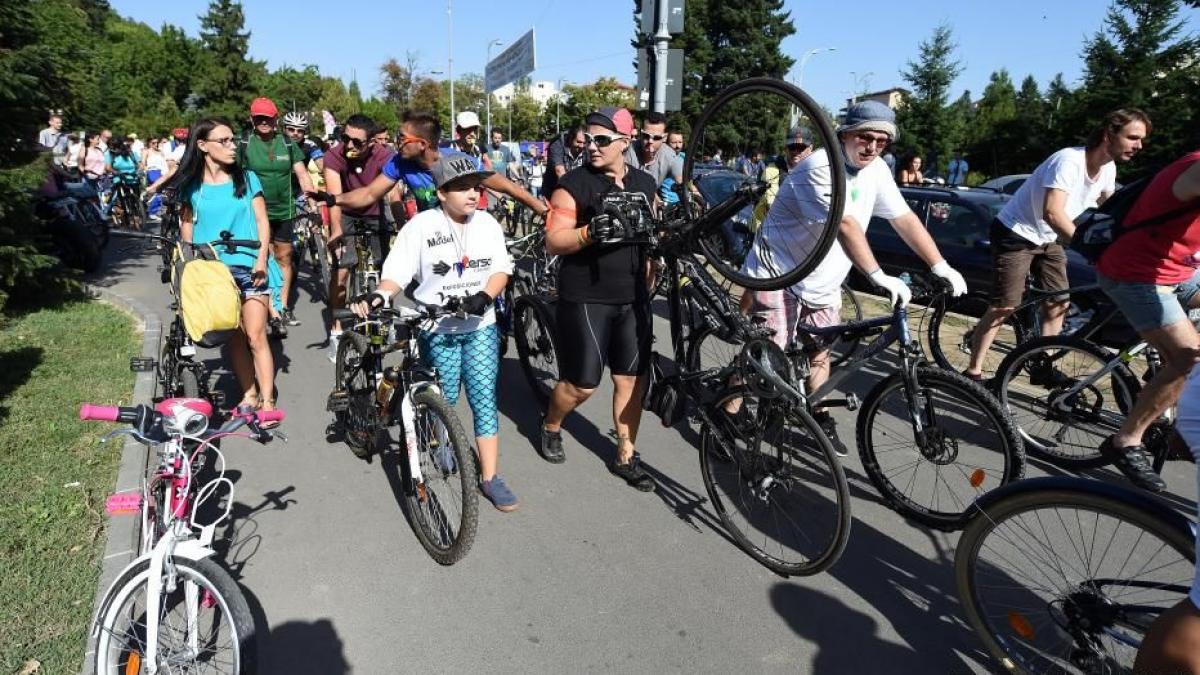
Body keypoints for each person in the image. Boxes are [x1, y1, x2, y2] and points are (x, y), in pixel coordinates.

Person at [741, 100, 969, 453]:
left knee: (820, 355)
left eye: (882, 141)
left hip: (824, 277)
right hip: (780, 269)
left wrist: (940, 265)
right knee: (772, 354)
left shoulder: (876, 170)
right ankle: (731, 410)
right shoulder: (819, 166)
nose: (873, 147)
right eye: (866, 137)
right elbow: (844, 224)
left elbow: (904, 218)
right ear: (845, 134)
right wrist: (878, 275)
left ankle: (814, 413)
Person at [350, 153, 518, 511]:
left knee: (484, 399)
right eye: (462, 188)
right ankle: (445, 442)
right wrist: (380, 296)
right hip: (435, 326)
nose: (473, 194)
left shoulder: (487, 224)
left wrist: (484, 297)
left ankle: (490, 477)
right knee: (444, 399)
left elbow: (501, 270)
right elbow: (397, 274)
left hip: (480, 326)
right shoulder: (421, 227)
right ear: (441, 192)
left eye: (475, 187)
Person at [963, 109, 1149, 384]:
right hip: (1016, 232)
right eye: (1133, 137)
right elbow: (1053, 212)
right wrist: (1090, 249)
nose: (1139, 146)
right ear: (1109, 134)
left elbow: (1112, 212)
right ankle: (973, 372)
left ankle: (1042, 366)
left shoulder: (1108, 168)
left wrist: (1134, 241)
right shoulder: (1068, 161)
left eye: (1142, 140)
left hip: (1048, 238)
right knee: (1005, 306)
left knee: (1058, 303)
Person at [538, 107, 658, 492]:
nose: (591, 146)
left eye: (602, 140)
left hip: (633, 297)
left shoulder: (645, 183)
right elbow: (553, 240)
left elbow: (651, 235)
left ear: (625, 141)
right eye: (588, 138)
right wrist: (589, 233)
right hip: (587, 295)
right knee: (582, 384)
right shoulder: (573, 184)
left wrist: (652, 273)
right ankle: (551, 423)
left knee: (631, 380)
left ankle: (626, 454)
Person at [1093, 143, 1198, 493]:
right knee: (1188, 356)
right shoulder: (1196, 167)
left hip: (1177, 271)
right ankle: (1127, 440)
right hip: (1135, 272)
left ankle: (1181, 425)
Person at [162, 118, 277, 419]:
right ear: (202, 146)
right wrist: (190, 269)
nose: (232, 146)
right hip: (214, 273)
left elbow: (263, 222)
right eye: (223, 141)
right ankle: (249, 393)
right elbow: (187, 228)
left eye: (232, 139)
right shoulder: (192, 189)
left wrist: (263, 260)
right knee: (235, 336)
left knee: (255, 335)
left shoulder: (248, 178)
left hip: (250, 266)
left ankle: (267, 403)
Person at [318, 110, 549, 221]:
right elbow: (369, 194)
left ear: (421, 144)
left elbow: (507, 186)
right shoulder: (400, 163)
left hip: (466, 230)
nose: (396, 143)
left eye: (402, 139)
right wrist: (333, 199)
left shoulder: (458, 162)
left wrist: (542, 210)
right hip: (433, 235)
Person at [236, 97, 318, 329]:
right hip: (255, 212)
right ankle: (265, 306)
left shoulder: (288, 143)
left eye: (267, 118)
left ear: (275, 119)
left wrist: (313, 204)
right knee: (264, 256)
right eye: (258, 118)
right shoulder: (243, 142)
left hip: (285, 210)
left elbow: (302, 174)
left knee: (284, 257)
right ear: (252, 119)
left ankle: (281, 308)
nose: (263, 122)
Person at [322, 114, 396, 361]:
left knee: (388, 270)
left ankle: (386, 318)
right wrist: (336, 231)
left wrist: (402, 226)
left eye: (357, 142)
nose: (349, 145)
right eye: (345, 138)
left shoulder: (385, 156)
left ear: (372, 143)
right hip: (345, 212)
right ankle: (337, 329)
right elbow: (334, 197)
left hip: (376, 211)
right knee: (342, 272)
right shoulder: (334, 155)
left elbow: (394, 194)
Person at [624, 111, 684, 195]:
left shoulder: (669, 155)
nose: (650, 141)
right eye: (646, 136)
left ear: (664, 138)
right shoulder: (628, 151)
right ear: (640, 134)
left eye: (656, 138)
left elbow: (682, 182)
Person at [104, 136, 141, 223]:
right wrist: (115, 172)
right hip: (119, 177)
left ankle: (137, 213)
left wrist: (139, 170)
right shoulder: (110, 154)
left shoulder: (130, 152)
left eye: (114, 146)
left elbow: (139, 164)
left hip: (133, 177)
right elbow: (108, 167)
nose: (112, 148)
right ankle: (120, 213)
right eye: (110, 146)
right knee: (119, 196)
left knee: (136, 199)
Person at [544, 126, 586, 199]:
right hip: (553, 191)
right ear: (570, 139)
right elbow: (559, 171)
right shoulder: (557, 144)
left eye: (584, 143)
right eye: (578, 142)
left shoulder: (587, 147)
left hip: (578, 192)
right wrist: (572, 193)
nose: (582, 146)